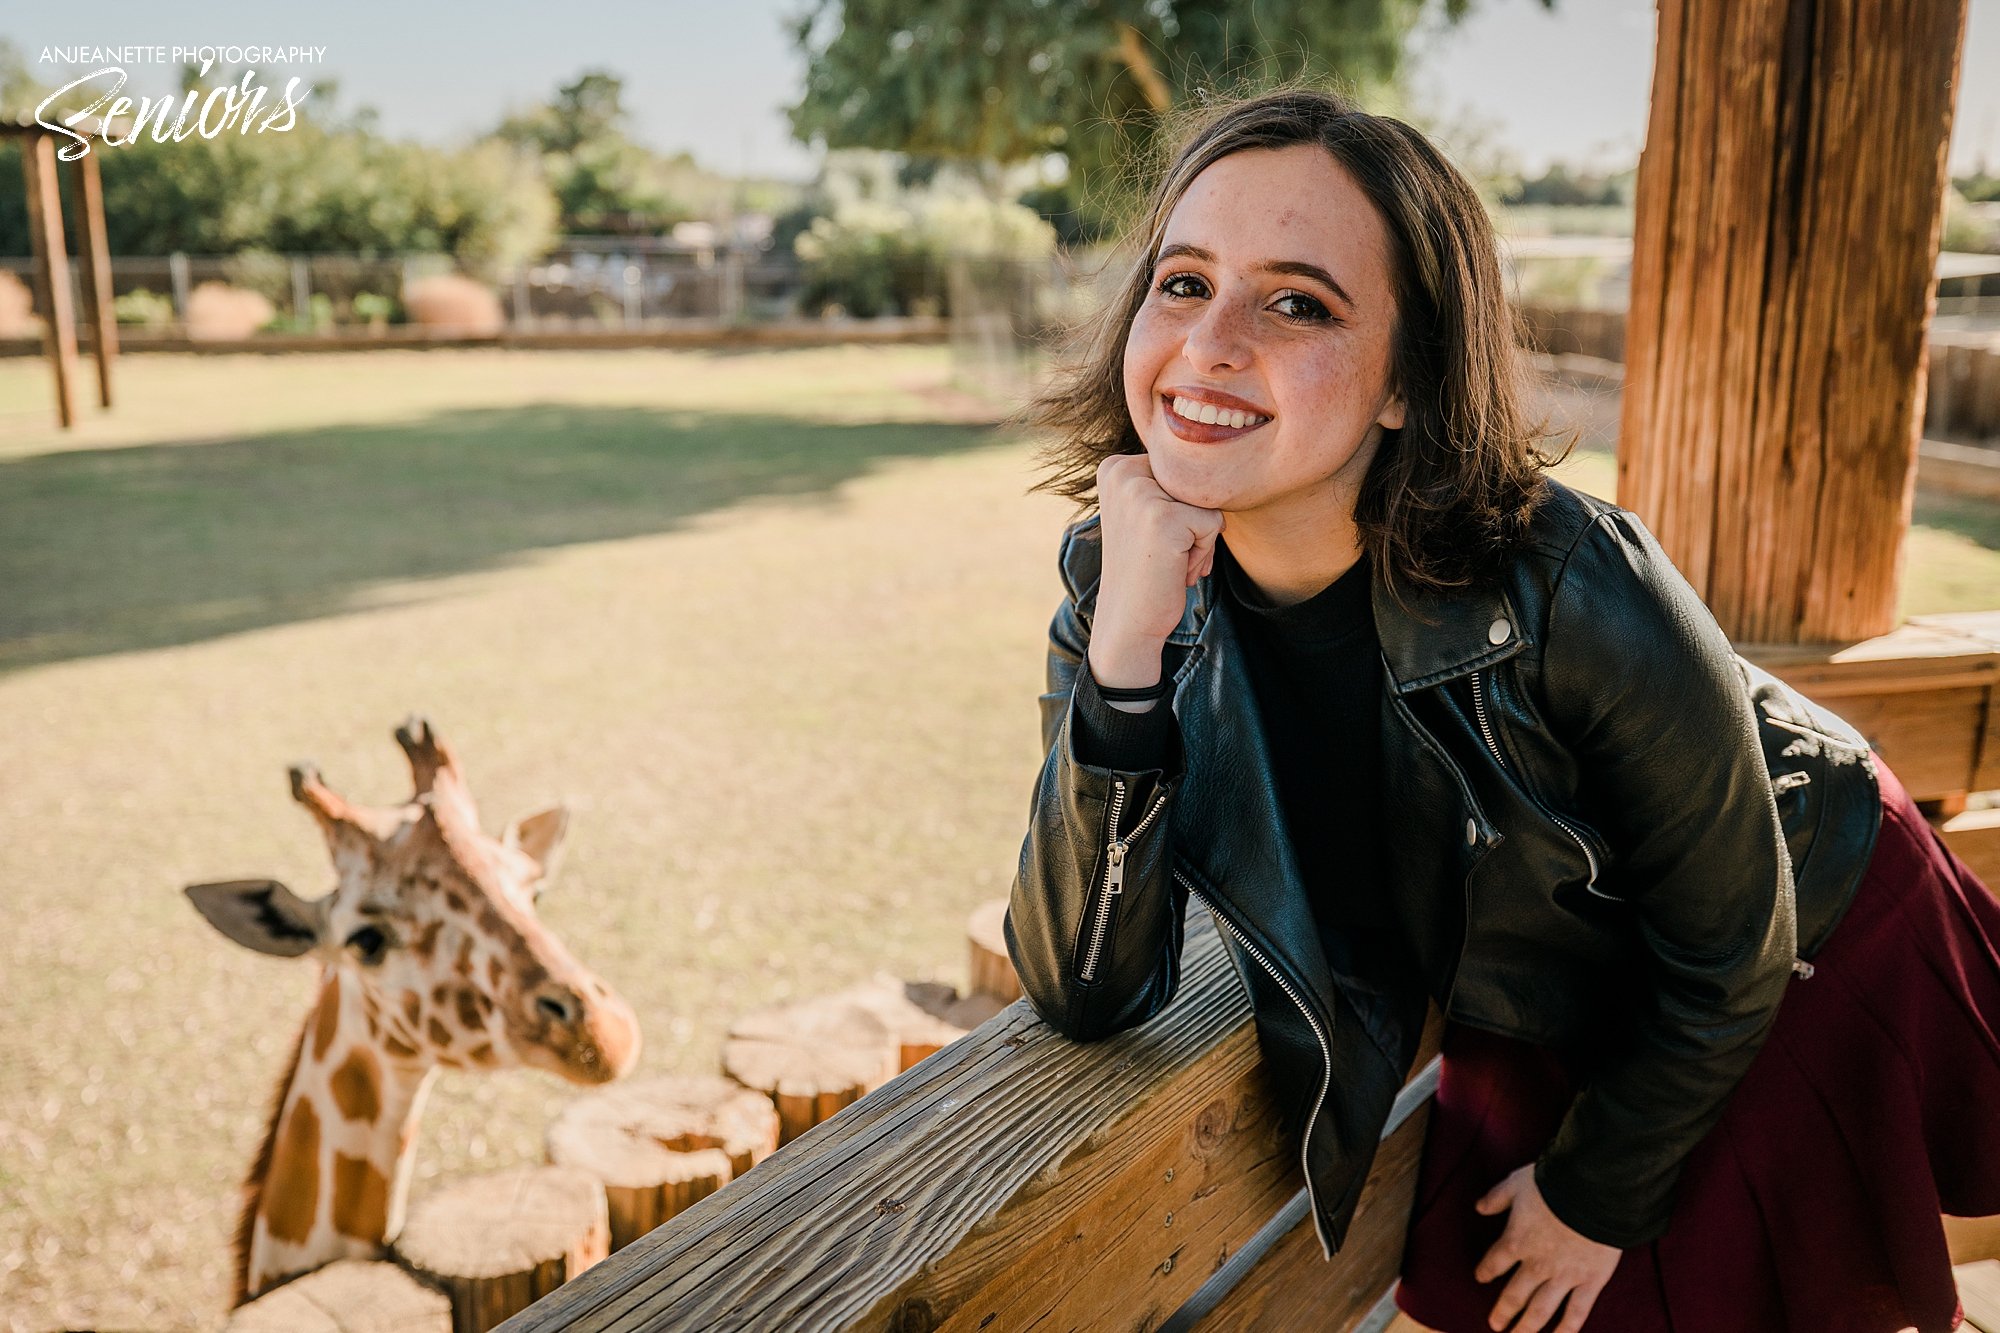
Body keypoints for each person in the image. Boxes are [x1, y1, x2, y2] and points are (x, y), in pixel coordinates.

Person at [1003, 85, 2000, 1333]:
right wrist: (1125, 657)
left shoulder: (1571, 581)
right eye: (1183, 281)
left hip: (1792, 934)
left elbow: (1734, 936)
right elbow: (1083, 988)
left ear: (1404, 386)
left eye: (1296, 301)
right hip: (1537, 984)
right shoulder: (1118, 594)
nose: (1207, 345)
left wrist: (1594, 1194)